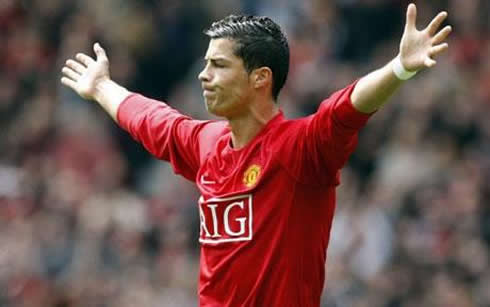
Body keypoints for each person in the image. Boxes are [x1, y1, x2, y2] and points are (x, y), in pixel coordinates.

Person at [60, 3, 451, 306]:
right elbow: (153, 121)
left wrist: (399, 68)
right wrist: (101, 87)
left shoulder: (299, 149)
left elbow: (345, 110)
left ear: (260, 77)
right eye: (204, 64)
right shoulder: (207, 142)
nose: (203, 75)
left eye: (218, 65)